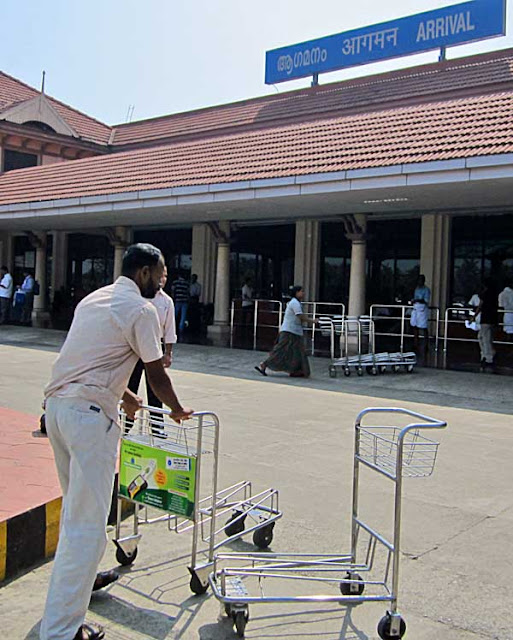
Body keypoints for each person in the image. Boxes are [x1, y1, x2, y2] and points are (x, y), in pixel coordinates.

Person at [40, 244, 193, 640]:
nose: (162, 285)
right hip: (89, 420)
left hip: (58, 410)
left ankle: (79, 587)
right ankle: (60, 631)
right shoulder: (141, 311)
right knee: (86, 526)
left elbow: (87, 359)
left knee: (79, 514)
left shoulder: (95, 299)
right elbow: (157, 374)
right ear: (142, 273)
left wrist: (126, 396)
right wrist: (176, 409)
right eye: (159, 277)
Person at [127, 266, 177, 433]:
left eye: (165, 276)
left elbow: (170, 329)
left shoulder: (166, 301)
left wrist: (168, 353)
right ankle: (126, 423)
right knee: (130, 384)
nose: (162, 279)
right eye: (160, 276)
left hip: (156, 346)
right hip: (136, 347)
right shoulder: (139, 297)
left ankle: (157, 427)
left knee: (156, 388)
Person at [255, 285, 318, 378]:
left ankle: (297, 370)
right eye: (301, 291)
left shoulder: (296, 303)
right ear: (296, 293)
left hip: (295, 331)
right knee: (281, 350)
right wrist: (313, 321)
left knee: (297, 352)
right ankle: (265, 364)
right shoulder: (294, 303)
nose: (303, 293)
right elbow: (300, 316)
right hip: (289, 331)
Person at [476, 278, 499, 371]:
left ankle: (488, 357)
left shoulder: (484, 294)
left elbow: (480, 306)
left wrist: (474, 316)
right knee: (485, 337)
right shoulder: (494, 295)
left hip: (486, 319)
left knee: (484, 338)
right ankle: (486, 355)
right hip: (492, 319)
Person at [410, 274, 431, 349]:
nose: (419, 282)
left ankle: (426, 344)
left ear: (423, 281)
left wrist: (417, 300)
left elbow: (426, 300)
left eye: (421, 280)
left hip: (422, 309)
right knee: (414, 326)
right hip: (416, 308)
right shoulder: (416, 289)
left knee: (423, 327)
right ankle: (416, 343)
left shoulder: (426, 290)